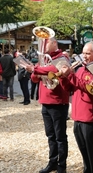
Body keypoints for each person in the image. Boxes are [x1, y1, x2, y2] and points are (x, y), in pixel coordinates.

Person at [25, 37, 71, 173]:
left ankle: (62, 166)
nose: (43, 45)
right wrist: (36, 71)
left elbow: (52, 68)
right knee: (50, 135)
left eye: (46, 42)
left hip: (58, 102)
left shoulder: (62, 57)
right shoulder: (43, 58)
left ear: (54, 43)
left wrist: (35, 69)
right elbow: (34, 78)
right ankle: (53, 162)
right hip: (45, 101)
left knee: (60, 136)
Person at [60, 41, 93, 173]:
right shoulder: (81, 69)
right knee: (84, 153)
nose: (84, 56)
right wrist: (63, 77)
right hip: (78, 117)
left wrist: (70, 75)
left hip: (90, 118)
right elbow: (70, 88)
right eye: (83, 53)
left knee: (92, 155)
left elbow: (88, 87)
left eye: (88, 53)